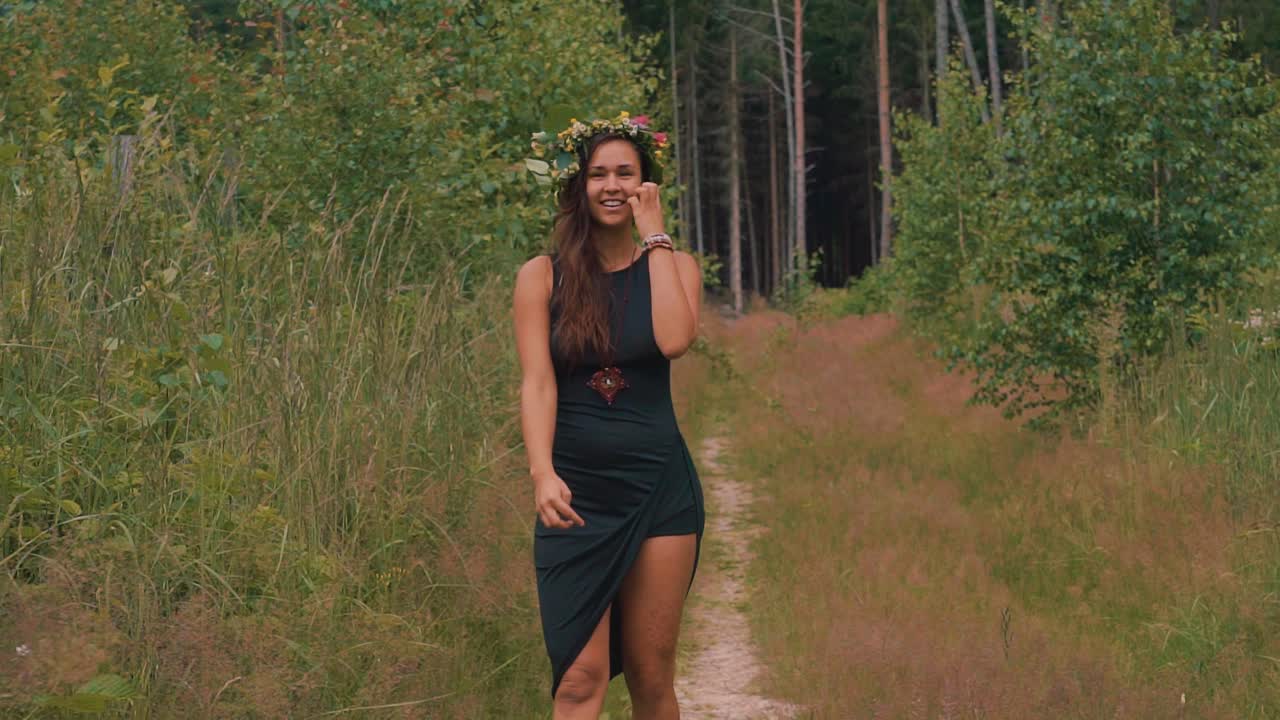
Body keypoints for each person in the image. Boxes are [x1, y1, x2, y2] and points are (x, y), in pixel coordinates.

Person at [512, 113, 705, 720]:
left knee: (651, 676)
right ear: (577, 185)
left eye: (626, 172)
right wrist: (542, 472)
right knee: (577, 680)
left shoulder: (676, 267)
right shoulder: (542, 277)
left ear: (647, 183)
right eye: (598, 174)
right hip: (574, 497)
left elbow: (673, 339)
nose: (612, 185)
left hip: (659, 494)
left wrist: (656, 237)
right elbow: (538, 383)